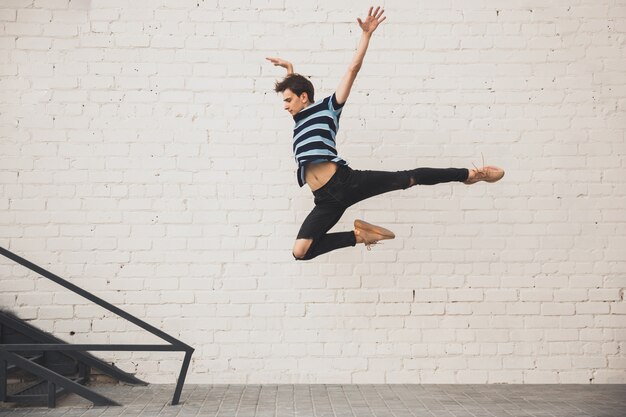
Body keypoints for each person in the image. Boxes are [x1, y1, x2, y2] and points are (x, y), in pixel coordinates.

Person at [267, 6, 504, 261]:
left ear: (304, 98)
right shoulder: (298, 119)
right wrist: (290, 70)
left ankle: (470, 175)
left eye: (288, 99)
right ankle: (360, 236)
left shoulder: (328, 109)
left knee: (409, 178)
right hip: (325, 199)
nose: (285, 105)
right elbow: (295, 92)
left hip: (345, 182)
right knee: (300, 252)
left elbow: (352, 70)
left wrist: (366, 36)